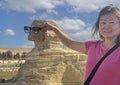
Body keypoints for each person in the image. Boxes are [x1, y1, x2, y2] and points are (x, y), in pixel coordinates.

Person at [39, 5, 120, 85]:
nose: (107, 26)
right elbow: (70, 43)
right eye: (103, 22)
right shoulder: (92, 46)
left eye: (112, 22)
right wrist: (54, 29)